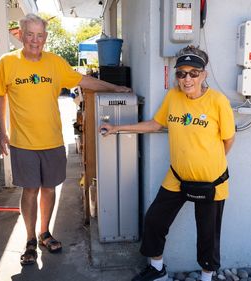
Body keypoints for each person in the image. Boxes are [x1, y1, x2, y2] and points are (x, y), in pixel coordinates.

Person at [0, 13, 130, 266]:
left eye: (40, 35)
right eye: (30, 35)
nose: (35, 40)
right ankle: (30, 240)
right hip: (23, 143)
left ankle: (45, 233)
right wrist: (2, 131)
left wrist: (114, 88)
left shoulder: (55, 63)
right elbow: (0, 96)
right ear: (21, 35)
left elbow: (83, 80)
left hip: (53, 140)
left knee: (49, 188)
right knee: (30, 190)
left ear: (45, 37)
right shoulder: (7, 63)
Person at [100, 45, 235, 281]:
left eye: (194, 73)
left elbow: (228, 139)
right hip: (177, 176)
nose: (187, 79)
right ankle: (157, 269)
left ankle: (207, 277)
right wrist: (117, 128)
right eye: (181, 73)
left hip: (211, 182)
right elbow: (155, 124)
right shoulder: (173, 96)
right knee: (154, 220)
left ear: (204, 74)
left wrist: (207, 164)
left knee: (208, 234)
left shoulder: (218, 101)